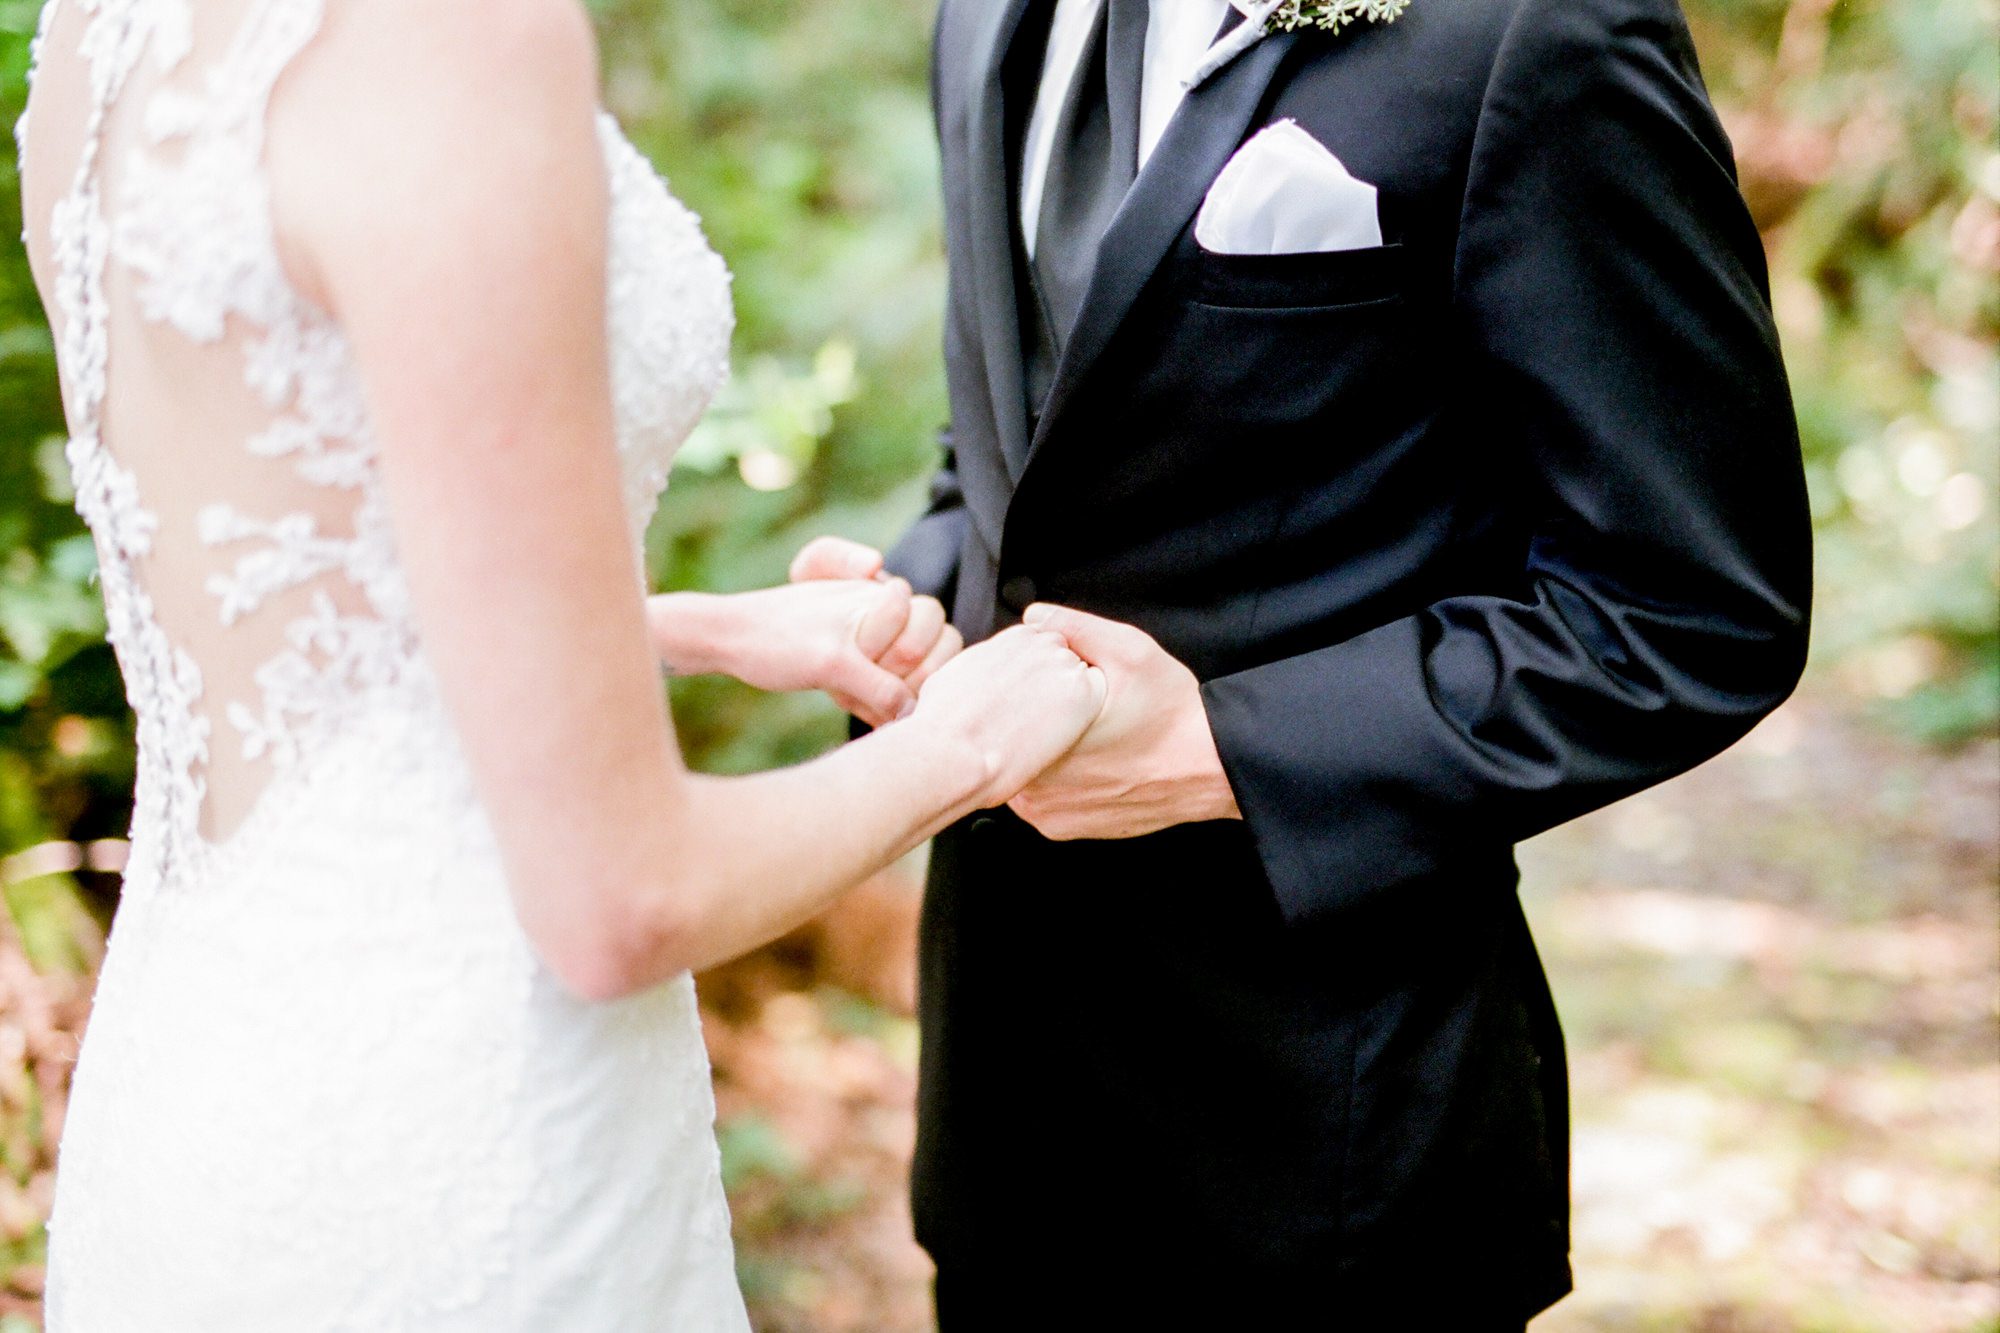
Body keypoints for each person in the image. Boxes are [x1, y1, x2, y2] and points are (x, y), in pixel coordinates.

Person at [15, 0, 1105, 1323]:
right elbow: (622, 898)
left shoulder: (106, 28)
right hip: (460, 1120)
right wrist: (971, 741)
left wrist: (692, 624)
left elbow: (287, 609)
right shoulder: (452, 35)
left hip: (198, 1083)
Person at [791, 0, 1814, 1321]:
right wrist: (914, 599)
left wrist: (1221, 747)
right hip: (1003, 1118)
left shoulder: (1533, 30)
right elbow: (1020, 448)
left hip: (1326, 1145)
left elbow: (1695, 605)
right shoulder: (984, 16)